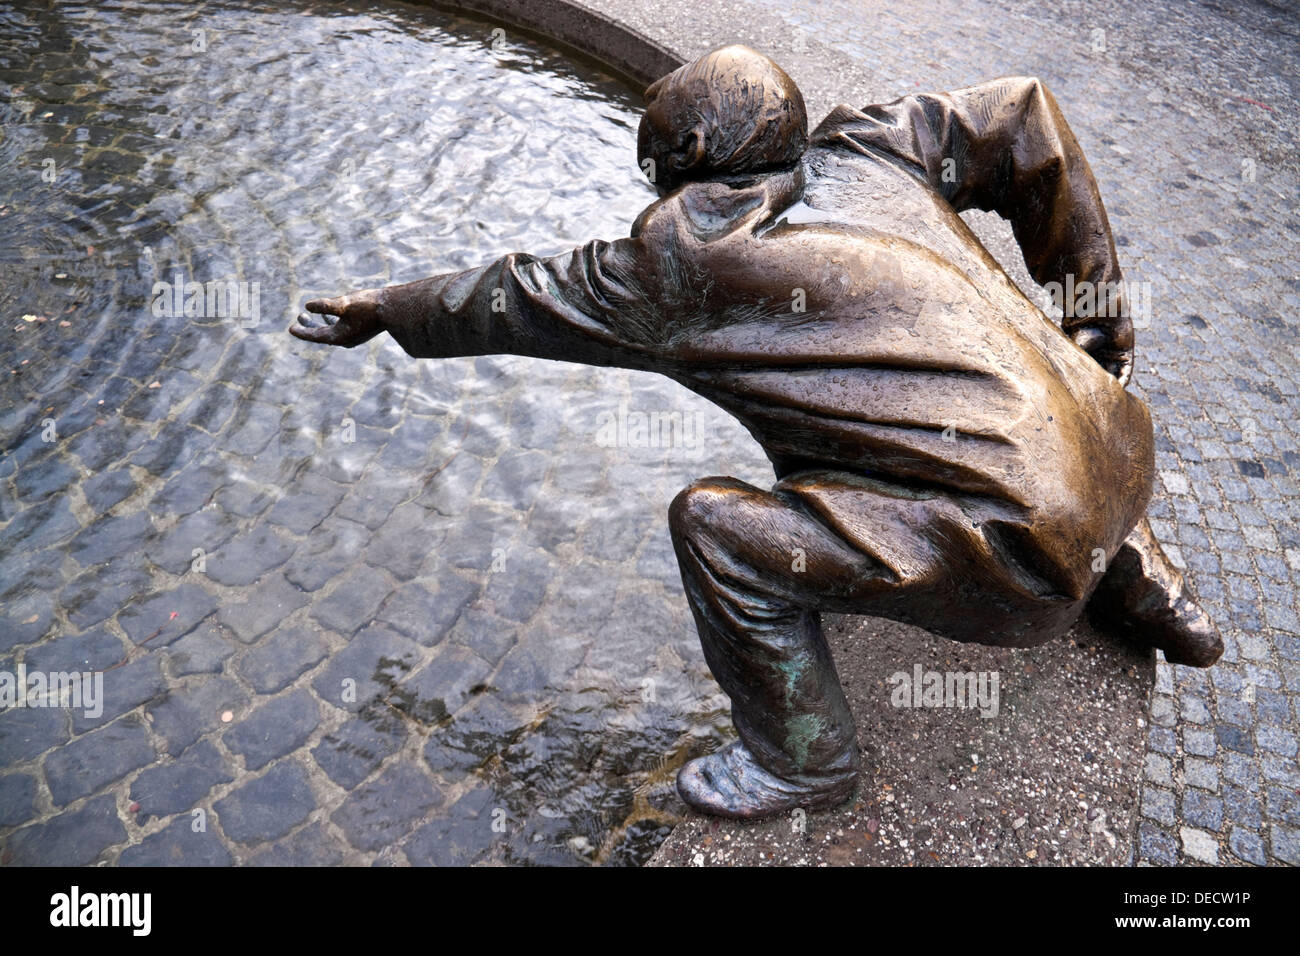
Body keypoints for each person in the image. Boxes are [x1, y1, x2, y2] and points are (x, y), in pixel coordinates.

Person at [290, 45, 1221, 819]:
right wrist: (1095, 332)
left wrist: (384, 307)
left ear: (690, 147)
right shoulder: (870, 150)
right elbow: (1023, 116)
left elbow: (514, 295)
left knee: (715, 527)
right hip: (1121, 447)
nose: (645, 161)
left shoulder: (678, 263)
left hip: (1022, 563)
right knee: (1005, 423)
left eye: (651, 141)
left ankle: (801, 759)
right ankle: (1146, 586)